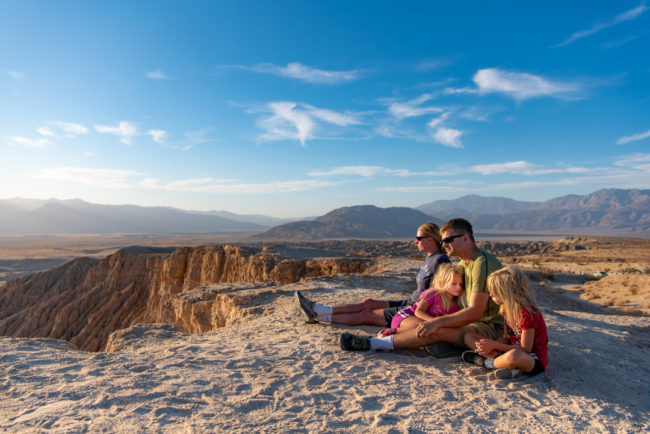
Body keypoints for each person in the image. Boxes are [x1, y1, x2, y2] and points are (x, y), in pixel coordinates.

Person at [339, 218, 504, 354]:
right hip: (468, 322)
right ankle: (445, 346)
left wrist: (439, 323)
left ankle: (373, 343)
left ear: (465, 238)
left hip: (488, 326)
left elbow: (476, 312)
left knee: (434, 329)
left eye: (448, 240)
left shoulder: (482, 263)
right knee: (423, 323)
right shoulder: (464, 263)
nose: (444, 244)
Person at [295, 222, 450, 328]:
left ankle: (318, 317)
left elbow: (441, 293)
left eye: (418, 238)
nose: (415, 242)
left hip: (414, 307)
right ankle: (317, 308)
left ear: (430, 239)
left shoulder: (440, 260)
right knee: (368, 302)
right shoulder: (430, 258)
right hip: (410, 301)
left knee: (366, 315)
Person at [461, 266, 548, 379]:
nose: (491, 295)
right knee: (469, 336)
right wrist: (490, 346)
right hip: (509, 350)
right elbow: (507, 337)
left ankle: (487, 363)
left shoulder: (527, 314)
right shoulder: (506, 309)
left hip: (531, 359)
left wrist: (495, 345)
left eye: (494, 292)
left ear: (507, 293)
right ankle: (507, 367)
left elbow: (526, 349)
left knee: (514, 356)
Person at [380, 263, 463, 336]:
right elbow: (418, 311)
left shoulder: (456, 307)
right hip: (407, 316)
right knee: (422, 326)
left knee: (431, 330)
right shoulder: (434, 294)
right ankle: (390, 332)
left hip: (427, 324)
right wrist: (436, 322)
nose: (458, 287)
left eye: (461, 284)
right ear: (443, 282)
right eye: (454, 284)